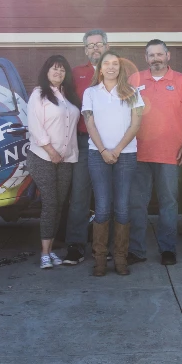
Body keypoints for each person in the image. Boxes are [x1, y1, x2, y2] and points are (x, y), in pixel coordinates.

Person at [126, 39, 182, 266]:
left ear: (168, 56)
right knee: (137, 204)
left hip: (170, 154)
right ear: (146, 58)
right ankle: (136, 250)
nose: (156, 58)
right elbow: (124, 114)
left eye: (159, 54)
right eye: (151, 55)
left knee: (169, 203)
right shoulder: (134, 80)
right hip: (138, 153)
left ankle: (168, 249)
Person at [81, 51, 144, 276]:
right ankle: (99, 260)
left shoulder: (133, 92)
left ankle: (120, 258)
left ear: (120, 68)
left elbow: (136, 125)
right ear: (100, 68)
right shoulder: (90, 93)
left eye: (115, 63)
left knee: (123, 207)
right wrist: (103, 150)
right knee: (102, 206)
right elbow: (89, 124)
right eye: (106, 63)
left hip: (125, 155)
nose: (110, 67)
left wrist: (116, 150)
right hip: (97, 155)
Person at [25, 55, 81, 270]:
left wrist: (63, 154)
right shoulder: (39, 94)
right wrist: (51, 150)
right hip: (43, 157)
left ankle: (51, 249)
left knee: (59, 204)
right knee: (50, 203)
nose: (58, 73)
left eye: (62, 70)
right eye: (54, 69)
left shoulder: (69, 97)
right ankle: (45, 254)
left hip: (67, 159)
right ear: (46, 72)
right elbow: (35, 125)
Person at [62, 29, 110, 265]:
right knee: (80, 194)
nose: (95, 49)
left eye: (99, 44)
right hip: (83, 142)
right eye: (90, 45)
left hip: (111, 141)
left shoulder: (117, 70)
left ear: (107, 47)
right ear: (85, 50)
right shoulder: (75, 74)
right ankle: (76, 246)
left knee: (107, 194)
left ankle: (106, 245)